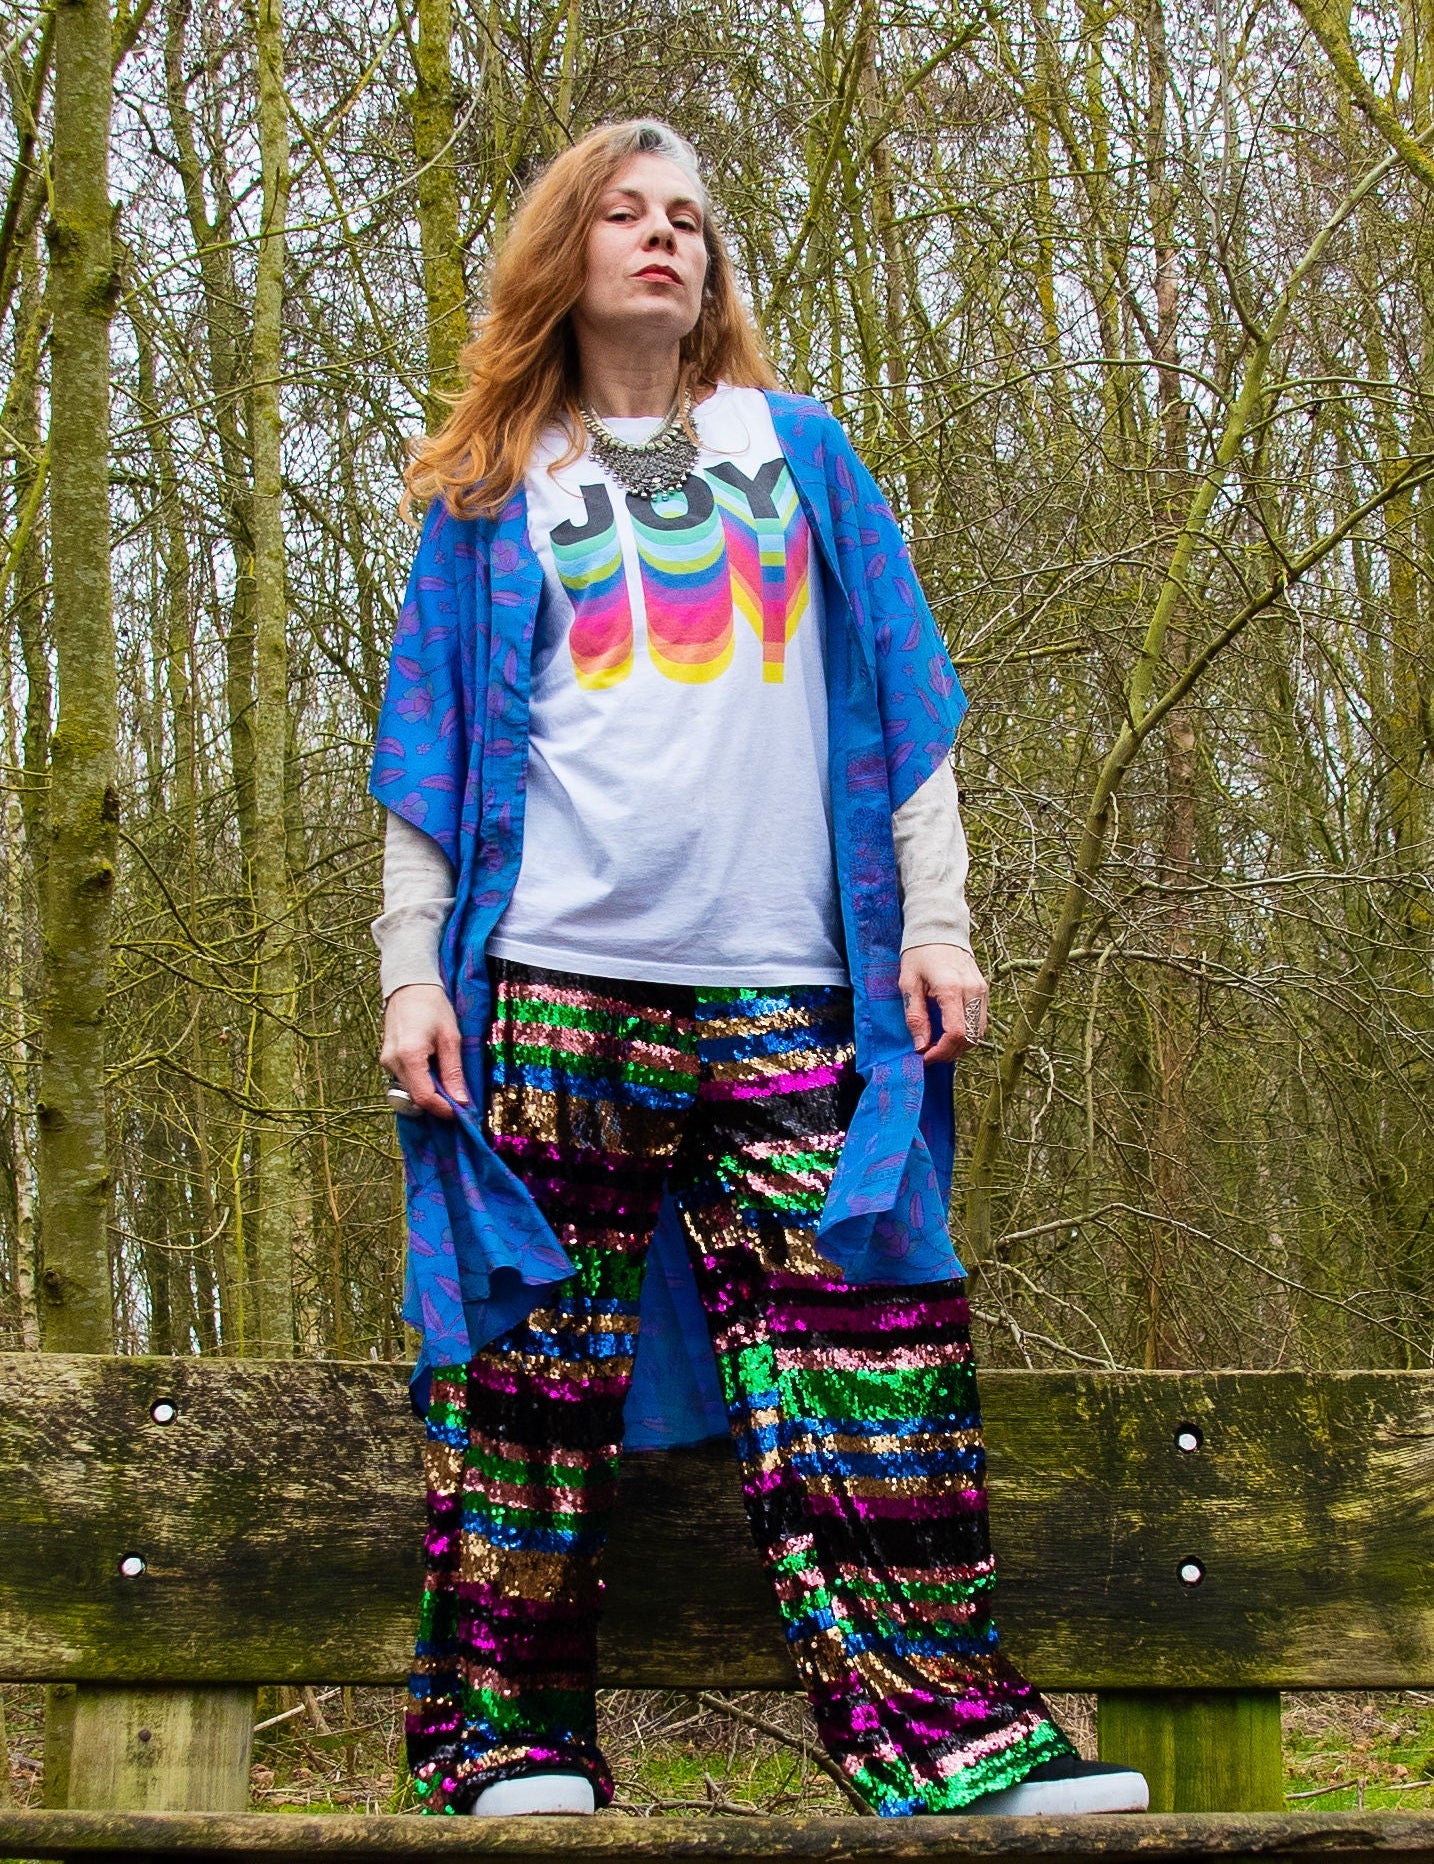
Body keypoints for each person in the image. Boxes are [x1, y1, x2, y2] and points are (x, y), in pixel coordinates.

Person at [370, 117, 1148, 1822]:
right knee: (530, 1368)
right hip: (554, 992)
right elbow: (425, 758)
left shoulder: (800, 454)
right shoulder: (493, 492)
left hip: (792, 994)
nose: (666, 241)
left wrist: (935, 924)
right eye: (627, 215)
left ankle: (951, 1747)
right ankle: (503, 1747)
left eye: (693, 223)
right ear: (563, 253)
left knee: (873, 1355)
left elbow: (906, 712)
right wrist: (407, 974)